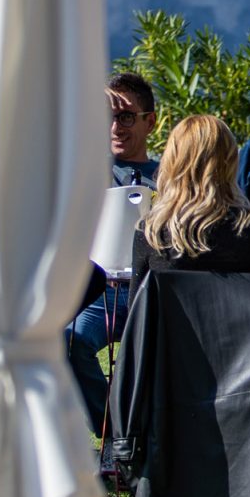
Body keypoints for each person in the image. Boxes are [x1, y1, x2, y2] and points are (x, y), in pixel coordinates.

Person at [67, 72, 161, 439]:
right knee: (69, 341)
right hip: (99, 292)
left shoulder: (169, 177)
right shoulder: (84, 175)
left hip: (152, 293)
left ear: (149, 122)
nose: (115, 127)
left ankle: (160, 437)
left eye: (125, 117)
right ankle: (115, 432)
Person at [129, 115, 250, 300]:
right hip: (237, 320)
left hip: (171, 321)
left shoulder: (153, 231)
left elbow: (137, 309)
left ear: (172, 162)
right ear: (230, 160)